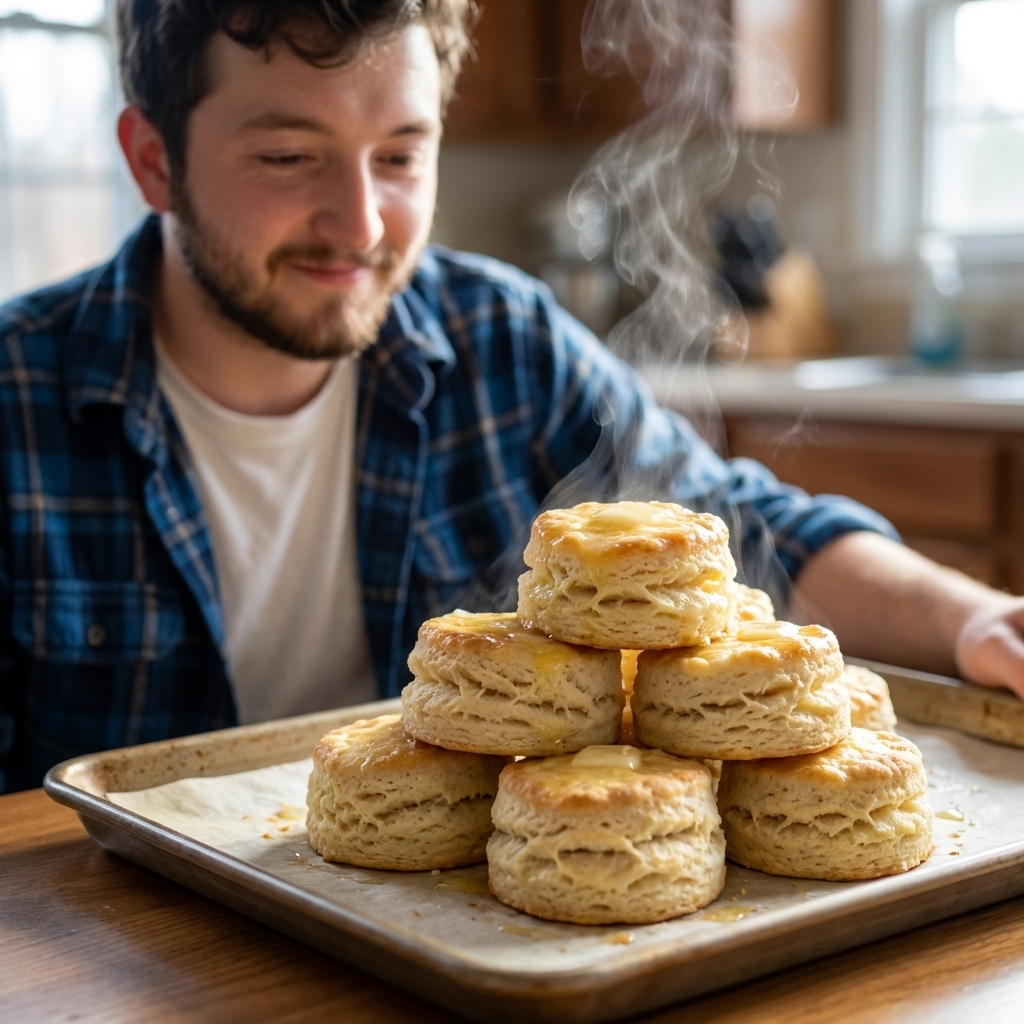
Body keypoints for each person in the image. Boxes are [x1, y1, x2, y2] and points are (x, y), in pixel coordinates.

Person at [0, 0, 1021, 794]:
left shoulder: (501, 337)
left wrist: (976, 621)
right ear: (152, 160)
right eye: (288, 158)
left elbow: (749, 528)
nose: (358, 222)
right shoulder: (18, 397)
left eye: (400, 155)